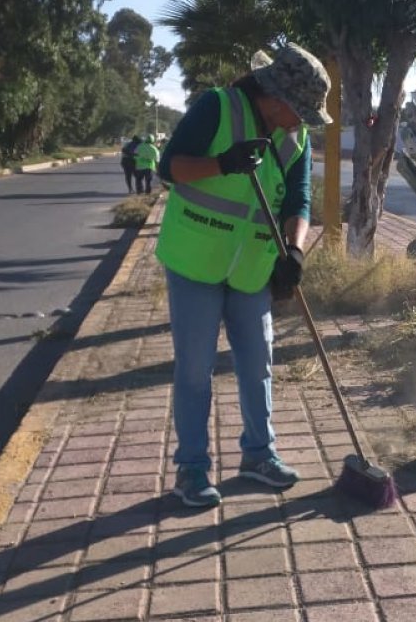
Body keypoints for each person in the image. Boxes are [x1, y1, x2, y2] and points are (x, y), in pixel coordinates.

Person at [154, 43, 331, 508]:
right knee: (195, 369)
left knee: (257, 365)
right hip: (196, 261)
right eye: (299, 111)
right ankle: (191, 469)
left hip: (252, 267)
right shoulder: (217, 106)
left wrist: (294, 248)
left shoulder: (295, 137)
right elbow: (168, 168)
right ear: (275, 97)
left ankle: (258, 455)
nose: (301, 121)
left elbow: (299, 201)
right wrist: (223, 163)